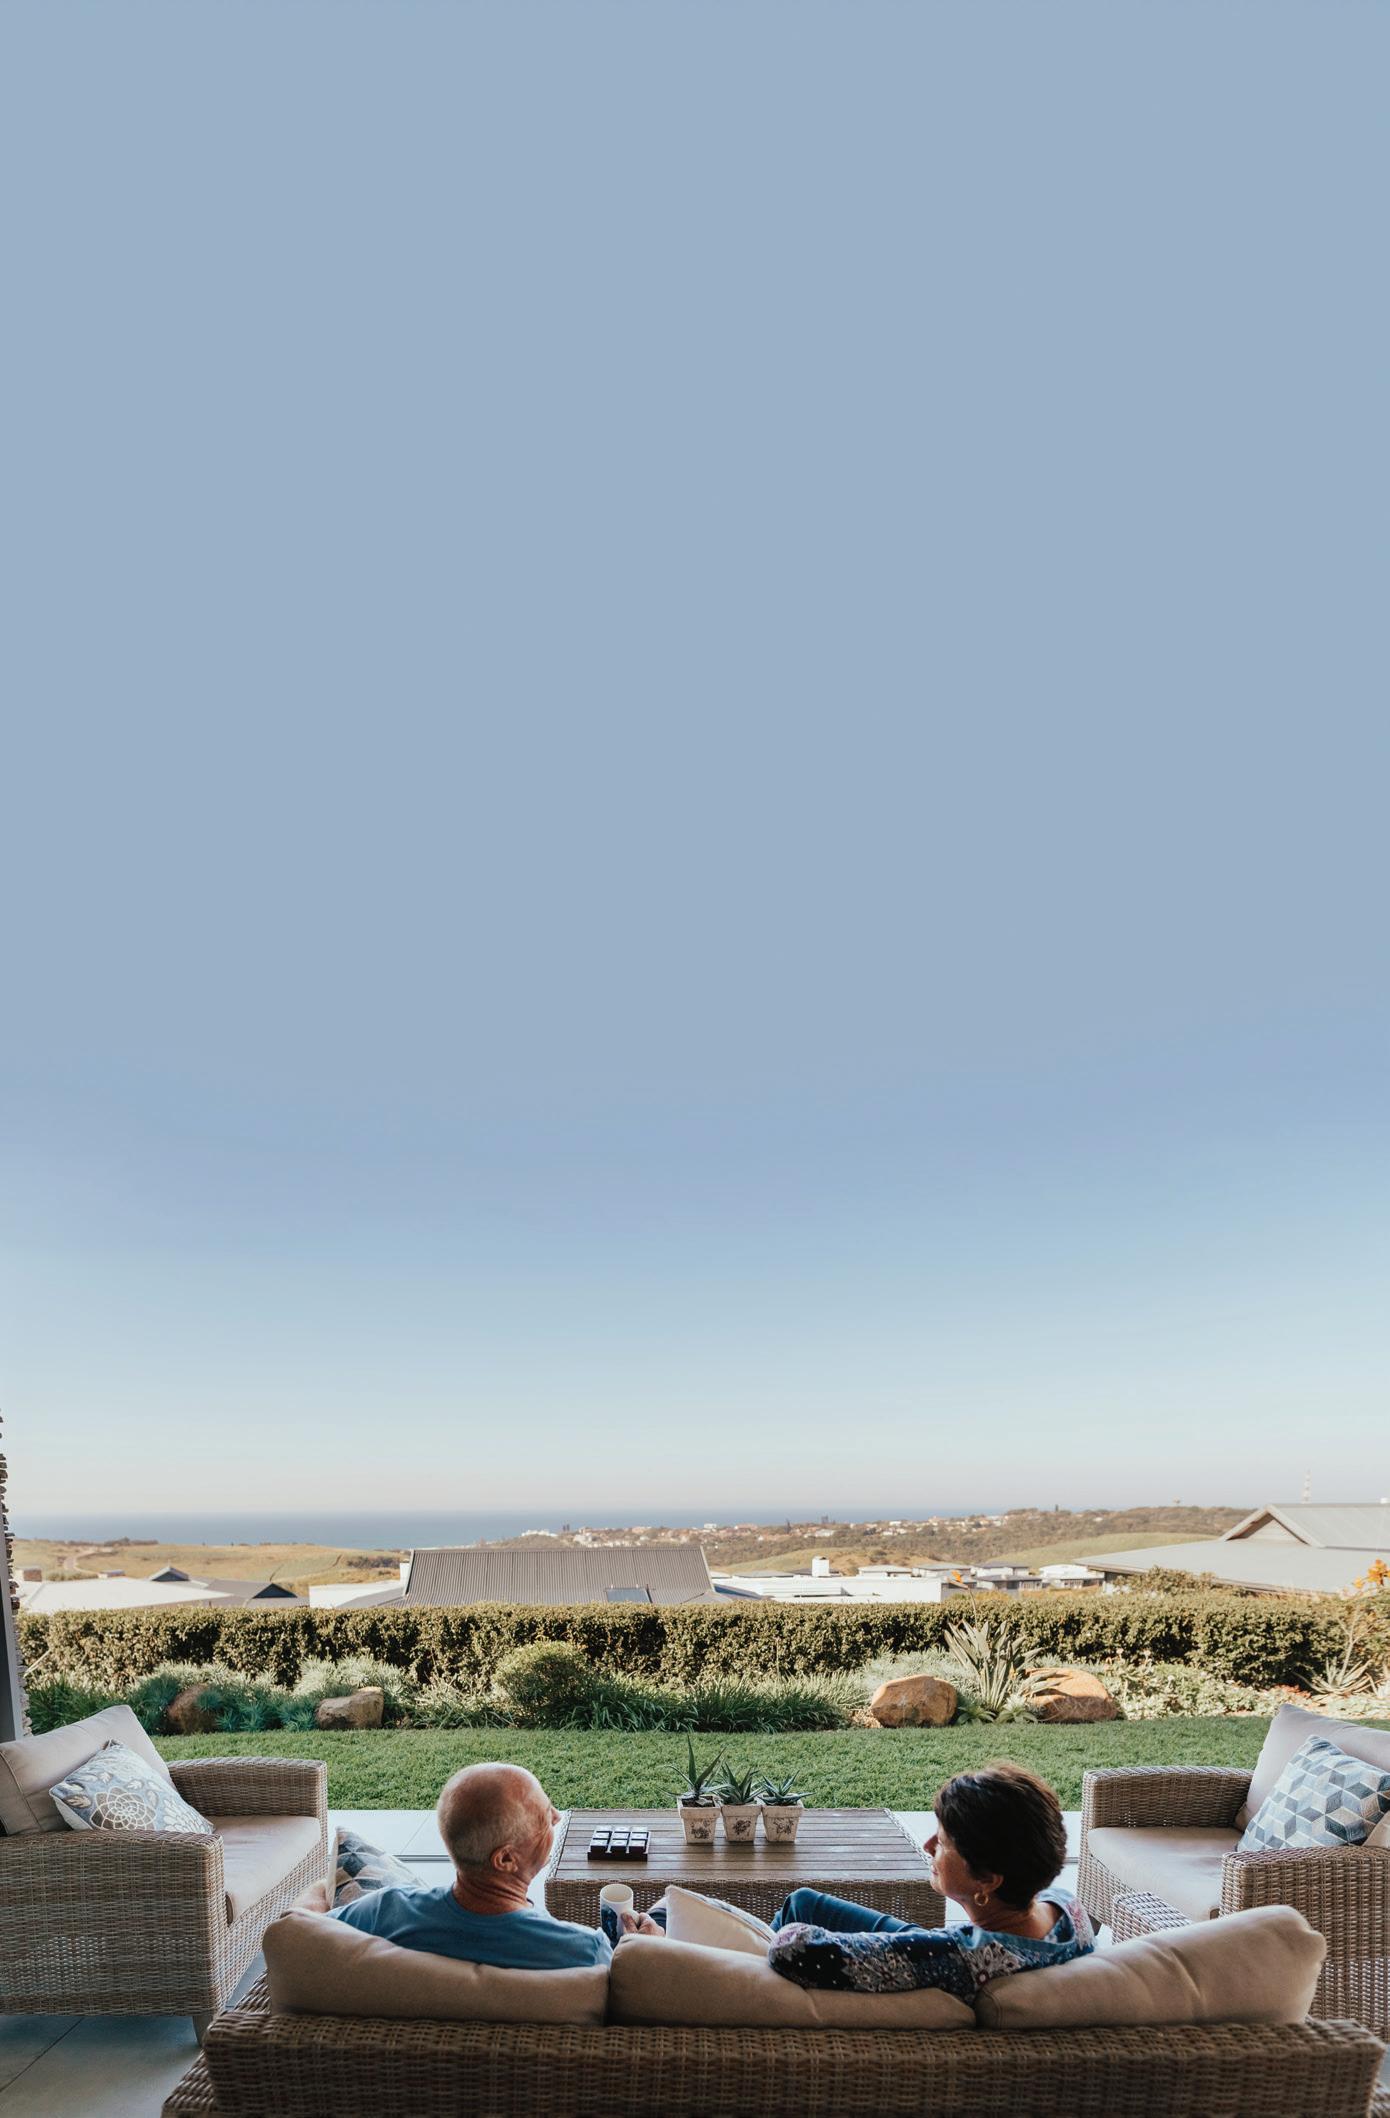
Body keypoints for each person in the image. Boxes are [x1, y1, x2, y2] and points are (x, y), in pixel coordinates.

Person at [767, 1762, 1093, 1998]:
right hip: (975, 1946)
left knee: (795, 1914)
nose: (927, 1845)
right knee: (803, 1903)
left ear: (987, 1880)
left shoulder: (955, 1956)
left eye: (944, 1843)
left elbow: (793, 1950)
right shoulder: (1069, 1912)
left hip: (948, 1960)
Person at [325, 1762, 614, 1968]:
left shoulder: (384, 1911)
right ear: (506, 1859)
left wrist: (319, 1889)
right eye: (544, 1815)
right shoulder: (585, 1951)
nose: (556, 1817)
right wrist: (638, 1946)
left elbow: (303, 1932)